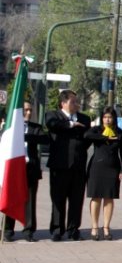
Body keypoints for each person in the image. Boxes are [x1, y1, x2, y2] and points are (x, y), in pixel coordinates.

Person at [45, 90, 90, 241]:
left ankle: (73, 229)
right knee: (58, 198)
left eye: (77, 102)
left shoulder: (85, 118)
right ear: (63, 103)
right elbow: (52, 125)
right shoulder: (53, 115)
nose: (76, 104)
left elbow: (87, 139)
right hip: (60, 165)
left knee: (76, 200)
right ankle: (57, 229)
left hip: (78, 166)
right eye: (73, 102)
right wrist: (71, 124)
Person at [2, 101, 49, 242]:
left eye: (30, 110)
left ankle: (28, 230)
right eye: (25, 110)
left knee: (29, 200)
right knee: (12, 198)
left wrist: (24, 136)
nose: (28, 113)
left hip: (30, 168)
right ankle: (8, 229)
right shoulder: (9, 128)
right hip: (14, 167)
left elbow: (44, 139)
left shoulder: (35, 128)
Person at [84, 107, 122, 241]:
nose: (107, 120)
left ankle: (106, 227)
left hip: (112, 168)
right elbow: (86, 135)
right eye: (105, 117)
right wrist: (104, 136)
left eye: (110, 117)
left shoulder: (119, 133)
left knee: (109, 198)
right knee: (96, 197)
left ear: (114, 118)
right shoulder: (97, 130)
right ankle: (94, 227)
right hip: (97, 167)